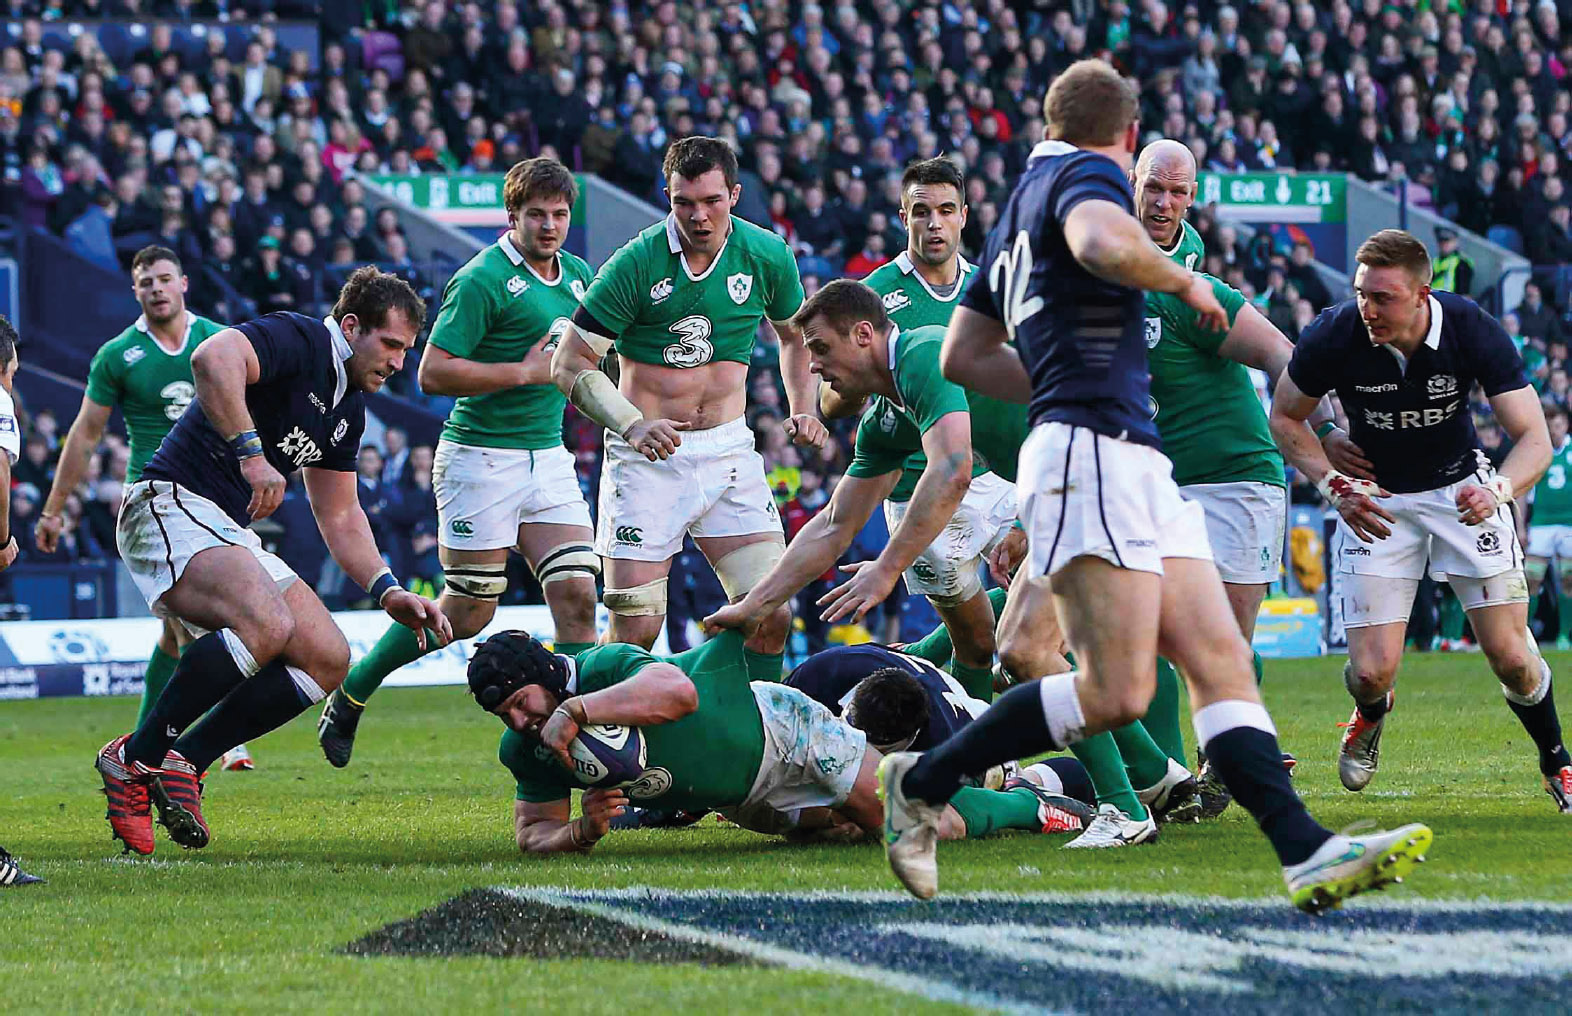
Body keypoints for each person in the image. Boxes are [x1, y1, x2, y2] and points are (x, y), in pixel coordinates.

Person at [884, 60, 1431, 910]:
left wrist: (1056, 379)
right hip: (1095, 455)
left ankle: (1307, 852)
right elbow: (1105, 240)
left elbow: (962, 356)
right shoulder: (1085, 177)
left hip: (1125, 455)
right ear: (1126, 140)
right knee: (1115, 689)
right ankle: (922, 788)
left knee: (1218, 660)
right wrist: (1177, 281)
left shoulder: (1017, 215)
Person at [707, 283, 1194, 845]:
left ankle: (1124, 809)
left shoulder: (922, 353)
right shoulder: (888, 418)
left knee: (1024, 648)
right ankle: (1157, 779)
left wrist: (888, 567)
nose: (813, 367)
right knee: (1015, 643)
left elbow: (955, 468)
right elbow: (834, 524)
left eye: (818, 348)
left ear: (864, 335)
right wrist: (755, 603)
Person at [94, 268, 453, 856]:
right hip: (167, 502)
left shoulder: (349, 408)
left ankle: (184, 761)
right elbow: (212, 359)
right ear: (352, 326)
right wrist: (252, 454)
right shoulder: (303, 338)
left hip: (222, 526)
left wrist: (387, 589)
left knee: (328, 656)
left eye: (406, 351)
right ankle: (135, 759)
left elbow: (340, 515)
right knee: (266, 625)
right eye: (390, 345)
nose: (397, 362)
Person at [1269, 228, 1571, 814]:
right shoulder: (1335, 332)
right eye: (1361, 293)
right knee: (1370, 673)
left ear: (1422, 295)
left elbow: (1535, 437)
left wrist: (1499, 489)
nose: (1367, 309)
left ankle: (1557, 760)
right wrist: (1335, 483)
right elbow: (1284, 417)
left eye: (1382, 298)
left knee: (1511, 655)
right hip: (1375, 499)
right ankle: (1369, 715)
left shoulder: (1468, 326)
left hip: (1461, 490)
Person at [320, 159, 600, 767]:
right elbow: (433, 371)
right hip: (480, 459)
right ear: (512, 216)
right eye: (537, 215)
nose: (550, 226)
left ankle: (577, 742)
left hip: (548, 455)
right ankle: (354, 690)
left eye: (559, 215)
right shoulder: (481, 279)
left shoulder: (578, 275)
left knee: (579, 593)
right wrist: (524, 371)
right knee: (468, 612)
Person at [550, 136, 827, 659]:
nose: (698, 216)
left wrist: (803, 408)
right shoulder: (635, 262)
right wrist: (632, 424)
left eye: (711, 201)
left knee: (770, 615)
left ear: (735, 195)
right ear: (667, 197)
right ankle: (601, 732)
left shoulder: (766, 254)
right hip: (647, 457)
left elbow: (796, 336)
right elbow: (568, 363)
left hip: (728, 453)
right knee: (636, 627)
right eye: (683, 202)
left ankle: (761, 738)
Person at [471, 628, 1092, 852]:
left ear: (547, 677)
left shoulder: (604, 668)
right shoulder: (523, 749)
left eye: (521, 703)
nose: (519, 722)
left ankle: (1029, 805)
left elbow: (677, 694)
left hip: (784, 731)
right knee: (849, 830)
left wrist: (576, 710)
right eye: (504, 715)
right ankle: (1027, 788)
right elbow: (531, 834)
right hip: (741, 799)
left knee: (914, 822)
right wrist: (579, 832)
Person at [1132, 140, 1313, 812]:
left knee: (1217, 644)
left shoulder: (1188, 283)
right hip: (1164, 480)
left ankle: (1227, 758)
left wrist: (1316, 436)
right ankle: (1179, 772)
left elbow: (1284, 356)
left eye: (1178, 192)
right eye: (1155, 186)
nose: (1164, 202)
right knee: (1153, 630)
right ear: (1133, 182)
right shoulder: (1116, 264)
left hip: (1237, 475)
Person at [33, 246, 258, 772]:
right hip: (155, 502)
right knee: (194, 621)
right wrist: (53, 509)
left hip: (221, 495)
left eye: (163, 279)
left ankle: (138, 750)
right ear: (134, 291)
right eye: (144, 282)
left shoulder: (218, 342)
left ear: (183, 283)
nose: (155, 289)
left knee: (175, 633)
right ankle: (220, 737)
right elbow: (86, 433)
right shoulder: (117, 355)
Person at [830, 156, 1015, 701]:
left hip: (997, 477)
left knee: (1060, 584)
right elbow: (832, 396)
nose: (933, 224)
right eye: (920, 212)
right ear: (902, 218)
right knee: (979, 644)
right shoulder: (873, 296)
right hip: (921, 487)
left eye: (945, 211)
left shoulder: (990, 290)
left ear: (964, 217)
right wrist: (849, 385)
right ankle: (968, 746)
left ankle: (922, 661)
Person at [1526, 403, 1572, 650]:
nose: (1554, 431)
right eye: (1550, 426)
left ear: (1565, 425)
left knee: (1569, 580)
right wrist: (1522, 527)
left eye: (1558, 426)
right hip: (1541, 523)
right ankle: (1527, 634)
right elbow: (1523, 491)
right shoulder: (1537, 451)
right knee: (1531, 579)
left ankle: (1565, 635)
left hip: (1569, 523)